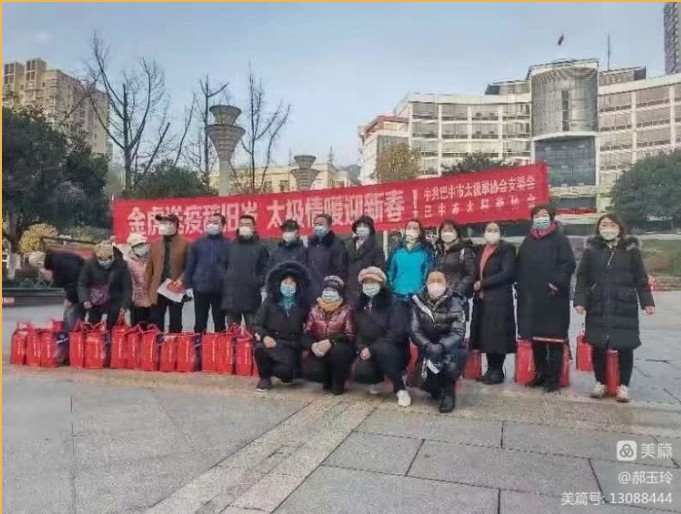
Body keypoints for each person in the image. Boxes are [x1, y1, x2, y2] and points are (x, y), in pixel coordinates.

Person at [573, 213, 655, 403]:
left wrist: (647, 302)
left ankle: (623, 386)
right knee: (598, 345)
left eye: (611, 225)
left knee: (625, 344)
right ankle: (600, 382)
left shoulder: (631, 250)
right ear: (598, 229)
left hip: (623, 304)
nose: (607, 228)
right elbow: (582, 277)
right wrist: (580, 301)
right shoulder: (592, 250)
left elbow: (641, 278)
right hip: (598, 303)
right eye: (604, 225)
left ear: (619, 227)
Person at [516, 204, 576, 392]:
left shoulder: (560, 240)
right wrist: (520, 285)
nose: (540, 218)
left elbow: (568, 265)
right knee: (536, 340)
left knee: (554, 340)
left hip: (553, 298)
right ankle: (540, 374)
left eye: (544, 215)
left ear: (551, 217)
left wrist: (555, 283)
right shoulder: (528, 241)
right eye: (537, 215)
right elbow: (520, 265)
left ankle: (553, 378)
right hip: (532, 298)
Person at [353, 266, 412, 407]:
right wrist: (361, 347)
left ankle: (400, 389)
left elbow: (398, 332)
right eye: (366, 282)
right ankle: (376, 378)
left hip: (394, 349)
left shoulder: (394, 302)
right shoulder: (360, 305)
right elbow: (358, 331)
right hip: (370, 349)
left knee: (383, 350)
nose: (369, 286)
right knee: (362, 372)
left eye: (373, 282)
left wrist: (372, 348)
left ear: (381, 284)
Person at [410, 271, 468, 413]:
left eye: (439, 280)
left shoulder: (456, 302)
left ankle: (449, 394)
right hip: (428, 348)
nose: (435, 284)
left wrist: (441, 346)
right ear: (426, 283)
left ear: (446, 283)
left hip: (451, 349)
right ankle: (435, 389)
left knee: (449, 366)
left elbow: (458, 332)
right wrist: (428, 345)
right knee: (423, 379)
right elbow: (415, 330)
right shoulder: (417, 302)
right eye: (432, 281)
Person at [469, 222, 517, 385]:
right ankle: (490, 369)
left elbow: (507, 273)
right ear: (483, 233)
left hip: (499, 298)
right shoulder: (481, 249)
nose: (492, 233)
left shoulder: (507, 249)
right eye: (489, 230)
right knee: (486, 335)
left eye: (495, 230)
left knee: (498, 334)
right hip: (482, 299)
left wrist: (483, 283)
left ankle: (498, 370)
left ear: (501, 233)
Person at [253, 261, 312, 391]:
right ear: (279, 284)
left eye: (291, 283)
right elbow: (256, 324)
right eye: (285, 282)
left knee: (285, 373)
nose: (288, 286)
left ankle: (284, 370)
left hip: (292, 345)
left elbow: (309, 327)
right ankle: (264, 378)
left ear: (297, 286)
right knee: (260, 350)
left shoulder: (303, 304)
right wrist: (265, 337)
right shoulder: (270, 301)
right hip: (272, 341)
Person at [301, 276, 355, 395]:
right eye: (327, 290)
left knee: (339, 352)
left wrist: (330, 342)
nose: (329, 293)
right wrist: (313, 345)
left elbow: (349, 335)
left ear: (339, 294)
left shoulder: (346, 311)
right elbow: (306, 333)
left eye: (333, 291)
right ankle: (326, 379)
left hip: (338, 348)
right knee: (311, 370)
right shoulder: (314, 310)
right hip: (319, 348)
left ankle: (338, 381)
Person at [145, 214, 191, 333]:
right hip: (157, 288)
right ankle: (157, 343)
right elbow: (149, 269)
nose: (163, 226)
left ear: (175, 226)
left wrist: (182, 280)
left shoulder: (186, 243)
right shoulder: (155, 244)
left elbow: (190, 266)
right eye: (162, 223)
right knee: (155, 322)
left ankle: (174, 343)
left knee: (175, 321)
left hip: (175, 288)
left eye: (166, 223)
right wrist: (146, 289)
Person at [222, 214, 269, 329]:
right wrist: (227, 279)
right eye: (242, 224)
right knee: (232, 332)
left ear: (254, 227)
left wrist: (257, 281)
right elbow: (223, 265)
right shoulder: (230, 245)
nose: (244, 227)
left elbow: (265, 268)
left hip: (251, 296)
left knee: (252, 331)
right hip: (232, 297)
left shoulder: (260, 247)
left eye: (247, 224)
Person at [185, 212, 230, 333]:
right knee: (200, 323)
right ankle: (199, 344)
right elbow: (190, 265)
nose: (212, 224)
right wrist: (188, 285)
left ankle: (219, 344)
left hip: (220, 289)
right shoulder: (198, 243)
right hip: (200, 288)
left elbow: (231, 267)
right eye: (210, 222)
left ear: (223, 226)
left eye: (216, 222)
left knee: (219, 323)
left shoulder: (229, 244)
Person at [77, 241, 132, 330]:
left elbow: (127, 287)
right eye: (101, 259)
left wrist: (124, 305)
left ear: (112, 256)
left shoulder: (121, 265)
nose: (105, 261)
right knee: (93, 324)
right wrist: (85, 299)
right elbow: (82, 283)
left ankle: (110, 336)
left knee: (113, 325)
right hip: (96, 299)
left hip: (114, 298)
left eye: (108, 258)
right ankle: (94, 337)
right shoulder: (90, 264)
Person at [29, 249, 85, 332]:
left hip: (82, 289)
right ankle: (71, 334)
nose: (41, 269)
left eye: (38, 267)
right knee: (69, 313)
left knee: (72, 314)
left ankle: (73, 336)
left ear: (39, 263)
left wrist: (70, 298)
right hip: (81, 287)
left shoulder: (59, 262)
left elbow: (73, 279)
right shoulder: (58, 258)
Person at [433, 220, 476, 317]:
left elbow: (471, 274)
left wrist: (457, 292)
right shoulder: (438, 252)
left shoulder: (464, 251)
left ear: (457, 233)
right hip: (439, 298)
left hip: (457, 299)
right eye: (444, 230)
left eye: (450, 230)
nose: (447, 233)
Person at [387, 219, 433, 303]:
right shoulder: (396, 249)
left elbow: (429, 272)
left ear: (420, 232)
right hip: (397, 295)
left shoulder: (426, 251)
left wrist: (422, 290)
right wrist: (391, 286)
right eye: (409, 228)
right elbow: (389, 270)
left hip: (418, 297)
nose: (411, 230)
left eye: (415, 228)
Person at [345, 215, 386, 304]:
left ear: (370, 229)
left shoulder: (376, 248)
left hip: (367, 290)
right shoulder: (349, 246)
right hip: (349, 290)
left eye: (365, 226)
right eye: (359, 226)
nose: (361, 229)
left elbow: (380, 269)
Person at [307, 213, 348, 296]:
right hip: (311, 289)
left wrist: (332, 287)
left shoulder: (337, 244)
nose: (318, 227)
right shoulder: (311, 244)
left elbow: (340, 269)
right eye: (316, 224)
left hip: (328, 291)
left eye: (321, 224)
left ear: (329, 226)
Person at [125, 233, 152, 327]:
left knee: (152, 325)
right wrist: (131, 298)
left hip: (152, 298)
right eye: (137, 246)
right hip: (137, 300)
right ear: (132, 248)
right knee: (137, 326)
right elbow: (130, 282)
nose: (141, 247)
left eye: (142, 244)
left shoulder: (152, 258)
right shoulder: (129, 262)